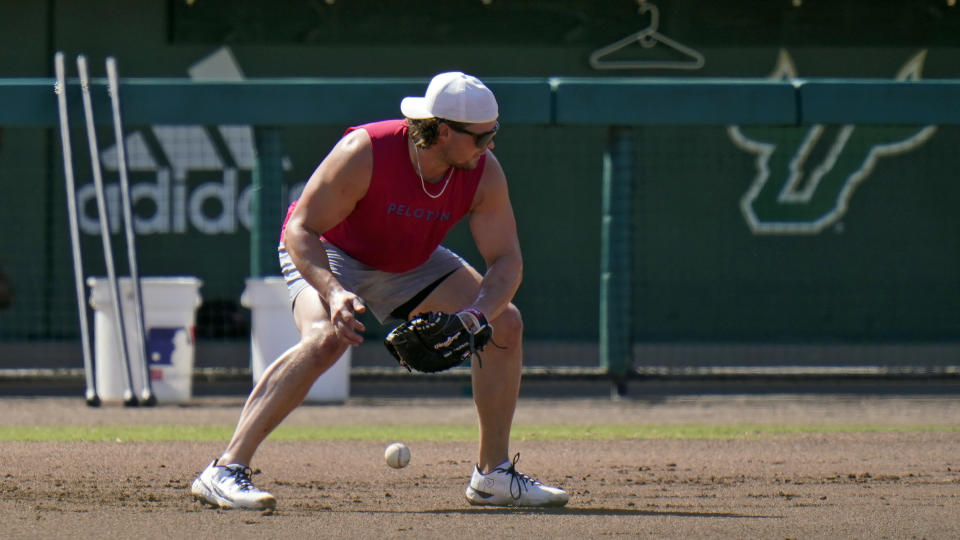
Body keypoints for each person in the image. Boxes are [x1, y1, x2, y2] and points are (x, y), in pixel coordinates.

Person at [190, 71, 569, 510]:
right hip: (331, 249)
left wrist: (476, 316)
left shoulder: (482, 173)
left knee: (505, 323)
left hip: (409, 261)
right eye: (482, 138)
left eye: (493, 135)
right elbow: (301, 229)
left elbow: (507, 261)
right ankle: (224, 469)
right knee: (326, 339)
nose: (490, 146)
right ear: (443, 130)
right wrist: (333, 293)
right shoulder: (366, 151)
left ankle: (493, 475)